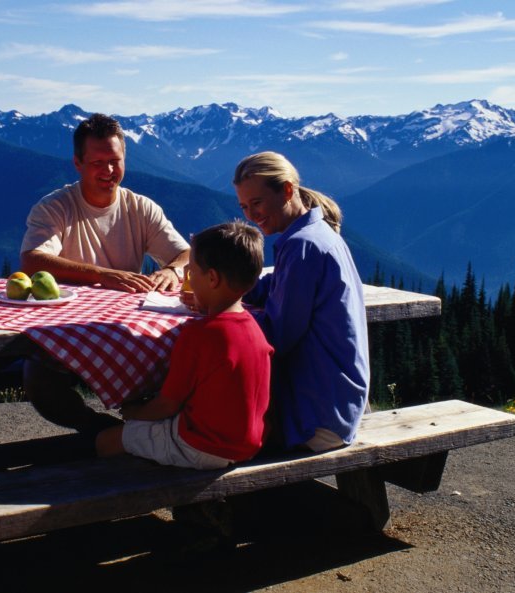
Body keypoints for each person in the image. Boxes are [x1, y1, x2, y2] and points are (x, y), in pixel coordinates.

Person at [20, 113, 190, 433]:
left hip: (127, 333)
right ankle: (107, 434)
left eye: (115, 160)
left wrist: (172, 269)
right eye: (98, 162)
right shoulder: (55, 206)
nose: (109, 171)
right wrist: (104, 274)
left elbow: (186, 253)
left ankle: (142, 434)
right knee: (38, 376)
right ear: (78, 163)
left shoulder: (141, 207)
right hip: (66, 332)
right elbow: (32, 260)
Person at [95, 221, 272, 469]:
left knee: (107, 441)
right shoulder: (255, 330)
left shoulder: (199, 334)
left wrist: (133, 412)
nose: (187, 280)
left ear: (212, 278)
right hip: (248, 443)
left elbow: (166, 405)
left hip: (201, 446)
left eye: (191, 273)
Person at [232, 151, 370, 452]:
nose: (251, 215)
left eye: (257, 203)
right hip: (341, 404)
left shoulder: (301, 246)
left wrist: (222, 307)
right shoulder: (318, 233)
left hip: (317, 419)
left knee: (209, 423)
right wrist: (236, 285)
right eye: (244, 207)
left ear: (287, 190)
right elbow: (277, 284)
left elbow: (276, 335)